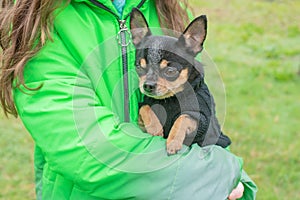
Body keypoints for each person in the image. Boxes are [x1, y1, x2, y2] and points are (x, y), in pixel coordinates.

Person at [0, 0, 257, 199]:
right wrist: (220, 174)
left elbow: (199, 106)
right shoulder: (42, 23)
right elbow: (93, 153)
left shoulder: (167, 9)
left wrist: (223, 168)